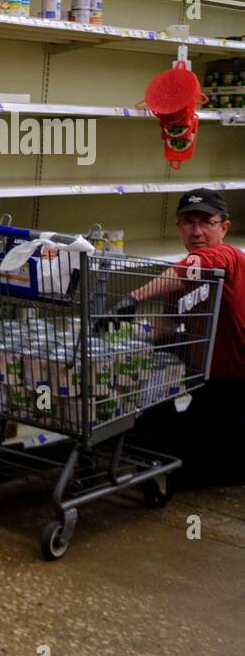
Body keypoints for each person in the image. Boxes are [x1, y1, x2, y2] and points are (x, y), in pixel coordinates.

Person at [124, 189, 244, 487]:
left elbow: (194, 266)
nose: (197, 231)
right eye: (189, 222)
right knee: (163, 439)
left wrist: (132, 297)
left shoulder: (227, 257)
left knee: (206, 467)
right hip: (209, 380)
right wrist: (128, 337)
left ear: (224, 227)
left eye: (207, 222)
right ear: (179, 227)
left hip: (239, 383)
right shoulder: (179, 276)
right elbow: (167, 323)